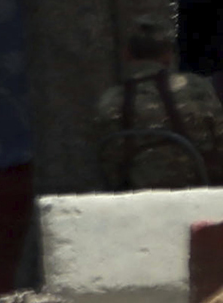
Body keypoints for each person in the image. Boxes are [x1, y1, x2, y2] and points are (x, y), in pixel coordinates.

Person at [92, 18, 223, 190]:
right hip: (202, 194)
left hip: (138, 199)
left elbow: (108, 165)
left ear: (127, 54)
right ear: (168, 55)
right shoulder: (196, 88)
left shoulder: (110, 101)